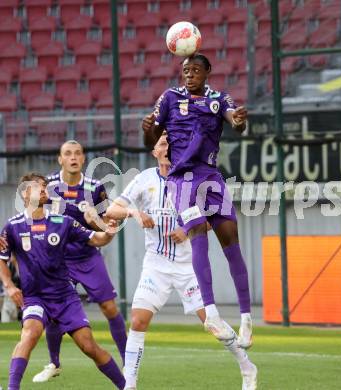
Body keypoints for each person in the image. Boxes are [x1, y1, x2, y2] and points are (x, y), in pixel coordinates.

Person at [106, 134, 257, 390]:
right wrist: (134, 212)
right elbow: (111, 210)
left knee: (212, 324)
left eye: (172, 144)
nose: (168, 148)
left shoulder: (193, 179)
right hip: (156, 265)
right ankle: (129, 384)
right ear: (154, 152)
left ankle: (247, 367)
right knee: (138, 320)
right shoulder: (144, 180)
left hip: (188, 268)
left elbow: (215, 220)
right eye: (162, 144)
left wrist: (188, 230)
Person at [142, 53, 253, 348]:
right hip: (182, 182)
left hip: (211, 178)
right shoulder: (168, 97)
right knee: (198, 234)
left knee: (232, 245)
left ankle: (246, 320)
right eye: (185, 70)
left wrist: (239, 122)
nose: (189, 75)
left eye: (195, 70)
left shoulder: (219, 98)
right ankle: (212, 314)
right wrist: (148, 129)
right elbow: (151, 140)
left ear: (207, 73)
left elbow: (235, 122)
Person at [0, 173, 125, 390]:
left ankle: (126, 386)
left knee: (89, 347)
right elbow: (1, 259)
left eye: (44, 186)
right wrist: (9, 286)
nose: (43, 189)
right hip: (35, 298)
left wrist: (109, 231)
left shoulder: (63, 222)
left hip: (65, 297)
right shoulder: (12, 227)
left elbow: (97, 239)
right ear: (25, 193)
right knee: (30, 333)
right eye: (37, 186)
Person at [31, 140, 127, 383]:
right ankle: (54, 362)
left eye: (77, 153)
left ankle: (129, 362)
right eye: (67, 153)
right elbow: (32, 216)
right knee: (54, 313)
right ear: (60, 159)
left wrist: (95, 221)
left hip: (87, 254)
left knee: (109, 308)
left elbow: (108, 226)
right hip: (59, 259)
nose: (73, 157)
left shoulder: (96, 188)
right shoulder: (48, 187)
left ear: (83, 159)